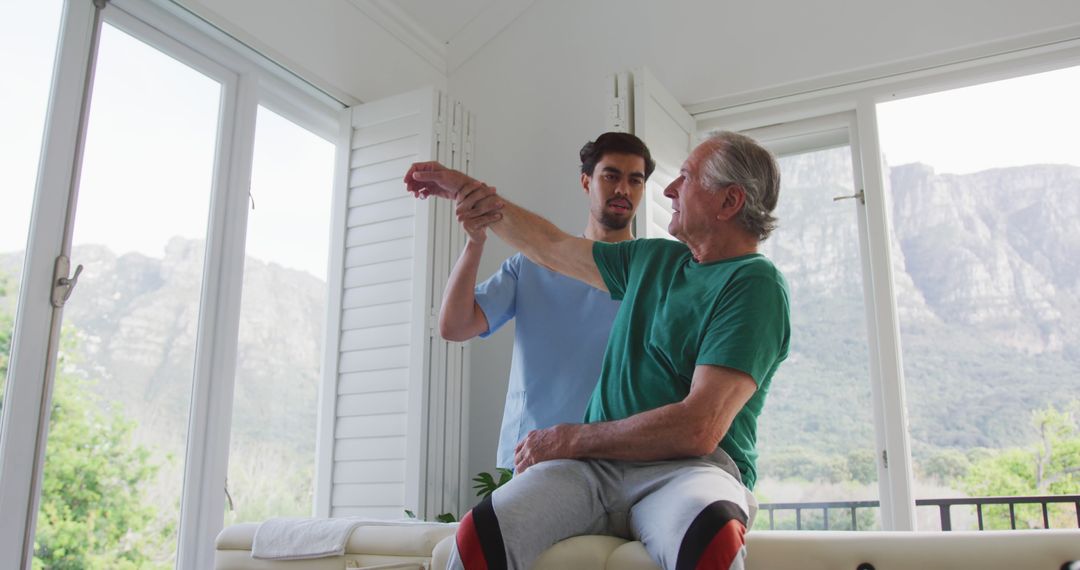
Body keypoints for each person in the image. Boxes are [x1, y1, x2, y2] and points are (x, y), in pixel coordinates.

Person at [404, 131, 790, 570]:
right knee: (479, 536)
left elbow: (698, 427)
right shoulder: (651, 260)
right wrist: (466, 190)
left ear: (728, 202)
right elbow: (549, 247)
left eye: (685, 178)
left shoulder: (754, 284)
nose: (668, 190)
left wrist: (568, 438)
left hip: (688, 469)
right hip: (590, 469)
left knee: (711, 538)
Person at [439, 133, 655, 472]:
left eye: (635, 180)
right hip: (535, 452)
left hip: (622, 458)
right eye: (611, 176)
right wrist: (475, 243)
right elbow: (454, 325)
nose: (623, 190)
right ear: (586, 181)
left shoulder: (653, 274)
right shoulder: (530, 265)